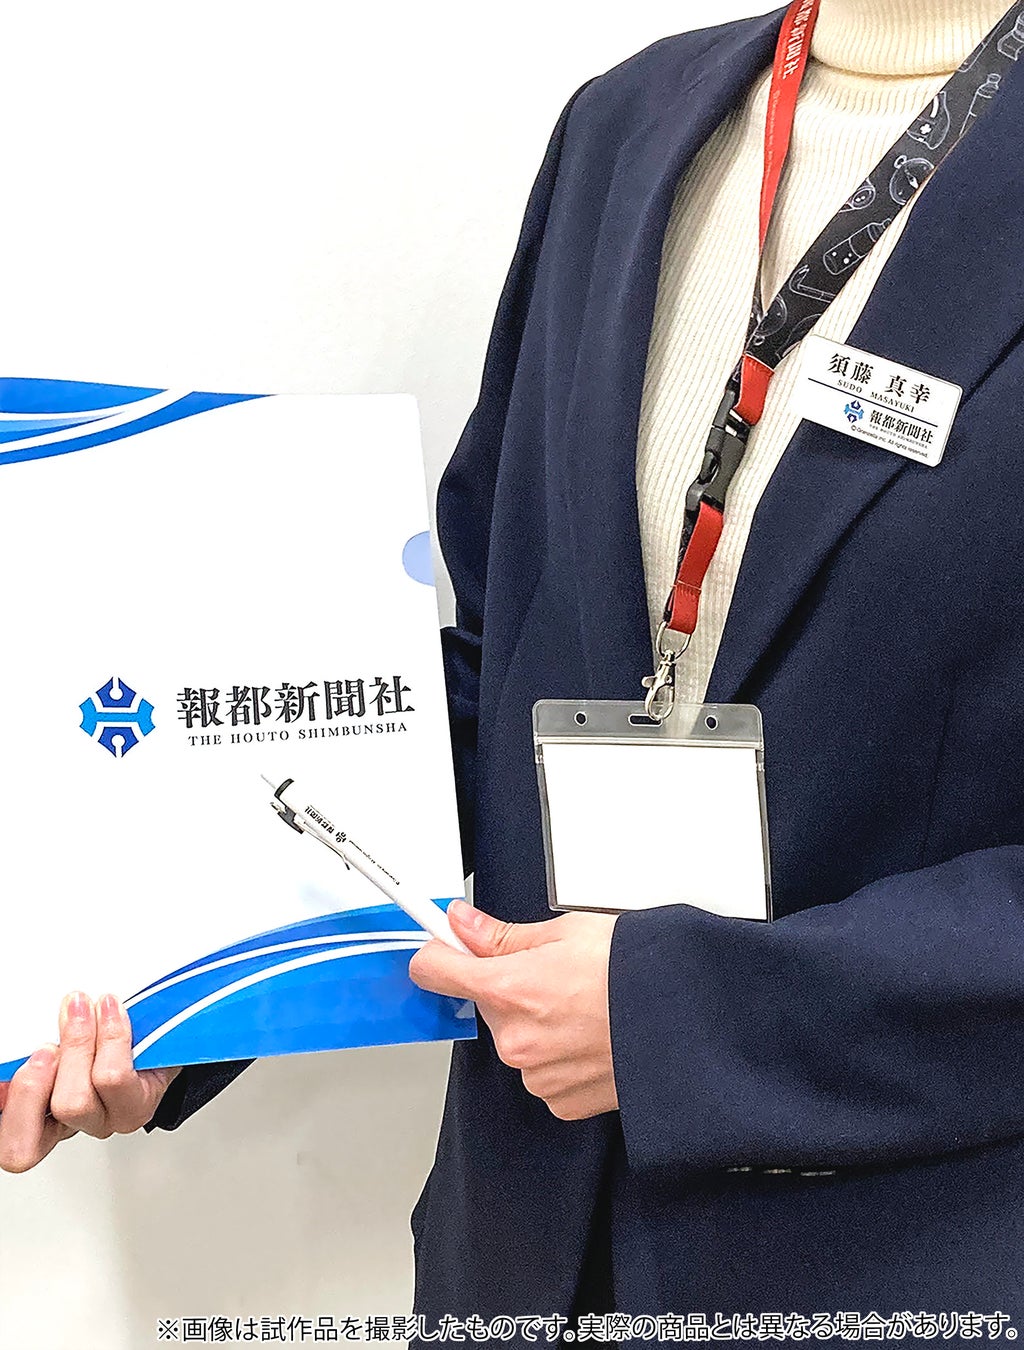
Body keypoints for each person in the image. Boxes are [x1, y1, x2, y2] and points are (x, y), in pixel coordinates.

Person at [5, 0, 1024, 1343]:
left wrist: (678, 1017)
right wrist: (176, 998)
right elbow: (490, 669)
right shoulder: (629, 127)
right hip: (526, 1248)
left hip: (915, 1255)